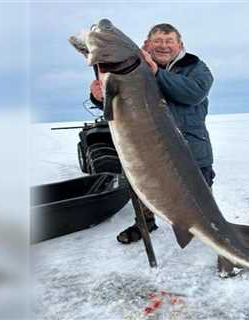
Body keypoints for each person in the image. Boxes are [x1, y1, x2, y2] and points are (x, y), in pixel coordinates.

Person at [90, 23, 215, 244]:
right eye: (158, 41)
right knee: (143, 189)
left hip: (191, 148)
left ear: (180, 44)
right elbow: (125, 109)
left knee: (201, 203)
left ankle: (217, 236)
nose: (163, 46)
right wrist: (101, 98)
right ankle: (144, 224)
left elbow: (193, 93)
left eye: (169, 41)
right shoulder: (136, 69)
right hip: (147, 148)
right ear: (149, 43)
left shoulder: (196, 67)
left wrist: (156, 73)